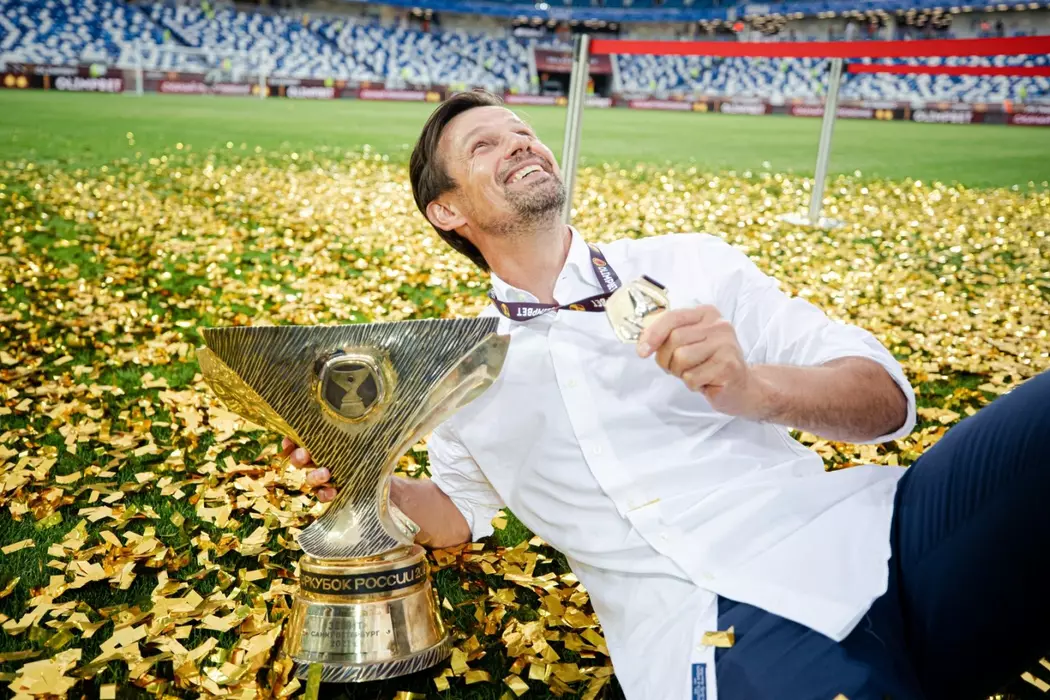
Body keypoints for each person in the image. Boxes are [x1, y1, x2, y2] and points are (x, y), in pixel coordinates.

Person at [285, 90, 1050, 700]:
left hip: (878, 536)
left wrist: (753, 388)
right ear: (447, 211)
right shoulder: (459, 369)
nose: (519, 143)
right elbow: (459, 513)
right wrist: (371, 479)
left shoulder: (692, 264)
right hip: (709, 630)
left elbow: (884, 400)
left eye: (523, 132)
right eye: (483, 145)